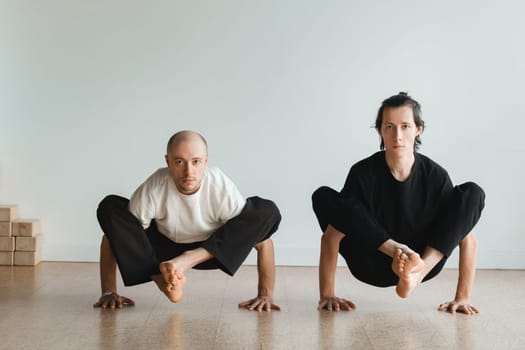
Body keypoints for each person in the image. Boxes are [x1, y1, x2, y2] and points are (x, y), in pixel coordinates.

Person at [312, 92, 485, 315]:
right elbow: (332, 234)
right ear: (380, 131)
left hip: (423, 261)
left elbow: (465, 236)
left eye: (405, 126)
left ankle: (416, 275)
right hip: (371, 262)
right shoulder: (363, 173)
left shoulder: (435, 176)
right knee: (324, 196)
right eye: (389, 127)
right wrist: (327, 294)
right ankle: (397, 250)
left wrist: (462, 297)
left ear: (418, 129)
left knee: (472, 193)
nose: (398, 136)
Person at [94, 130, 282, 312]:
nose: (188, 171)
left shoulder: (218, 184)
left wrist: (265, 295)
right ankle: (164, 280)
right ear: (167, 161)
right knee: (110, 207)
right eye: (179, 162)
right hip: (162, 254)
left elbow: (262, 241)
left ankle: (184, 262)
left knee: (265, 211)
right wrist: (108, 291)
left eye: (196, 162)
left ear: (206, 161)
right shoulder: (156, 184)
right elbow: (114, 236)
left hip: (210, 251)